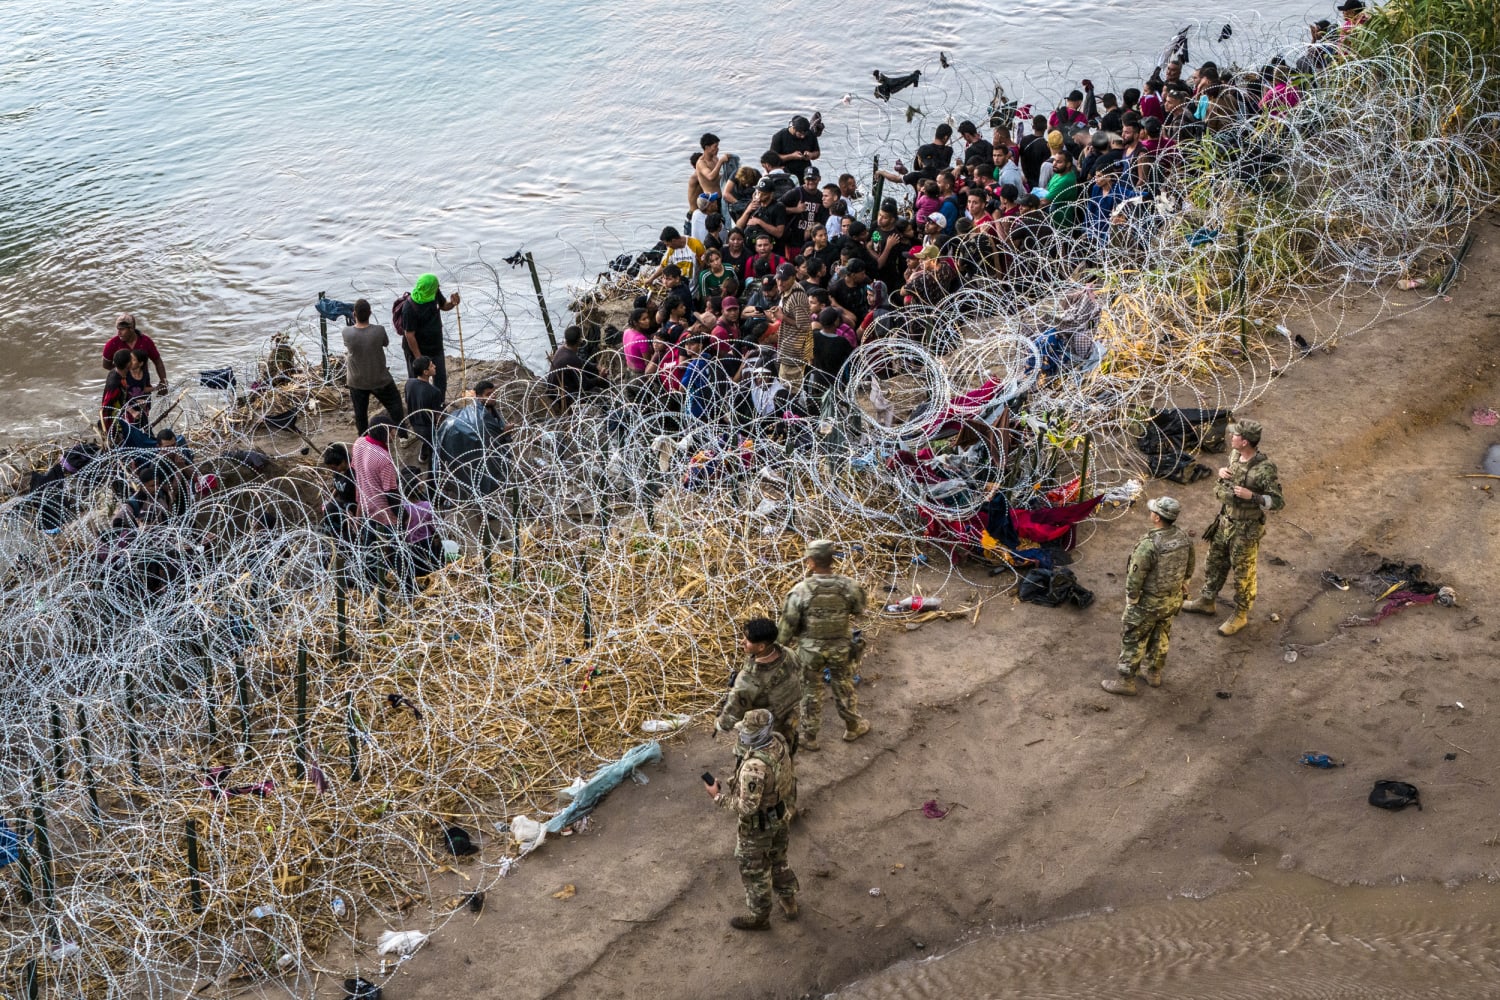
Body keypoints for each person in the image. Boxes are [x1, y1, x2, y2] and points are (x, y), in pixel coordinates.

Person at [1182, 420, 1284, 635]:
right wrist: (1221, 474)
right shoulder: (1235, 456)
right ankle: (1207, 601)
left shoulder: (1264, 469)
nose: (1230, 437)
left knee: (1243, 574)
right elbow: (1227, 482)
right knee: (1214, 562)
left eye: (1235, 435)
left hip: (1246, 530)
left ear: (1245, 441)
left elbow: (1277, 502)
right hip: (1226, 521)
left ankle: (1240, 615)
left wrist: (1253, 497)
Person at [704, 708, 799, 931]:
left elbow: (746, 808)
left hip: (757, 828)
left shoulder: (753, 768)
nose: (742, 736)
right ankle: (789, 901)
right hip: (780, 814)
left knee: (754, 872)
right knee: (779, 859)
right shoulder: (779, 742)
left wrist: (717, 796)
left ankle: (760, 917)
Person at [779, 539, 868, 750]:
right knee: (843, 686)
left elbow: (787, 627)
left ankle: (810, 737)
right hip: (840, 647)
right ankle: (853, 726)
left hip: (810, 650)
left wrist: (776, 650)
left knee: (810, 691)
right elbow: (859, 609)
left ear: (810, 562)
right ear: (832, 559)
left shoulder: (800, 590)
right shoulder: (849, 586)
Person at [1102, 497, 1195, 696]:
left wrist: (1132, 599)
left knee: (1133, 638)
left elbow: (1135, 576)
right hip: (1171, 600)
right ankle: (1154, 673)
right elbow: (1190, 566)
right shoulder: (1184, 538)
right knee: (1161, 635)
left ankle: (1126, 681)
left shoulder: (1149, 544)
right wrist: (1182, 584)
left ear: (1156, 517)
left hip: (1147, 603)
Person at [717, 617, 804, 751]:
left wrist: (720, 724)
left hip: (762, 729)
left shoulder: (750, 679)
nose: (742, 642)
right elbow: (799, 672)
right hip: (789, 718)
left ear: (761, 646)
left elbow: (734, 711)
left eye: (748, 640)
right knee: (785, 754)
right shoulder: (788, 653)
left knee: (749, 759)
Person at [343, 298, 405, 435]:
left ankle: (364, 440)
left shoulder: (346, 333)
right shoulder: (379, 330)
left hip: (356, 381)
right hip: (380, 378)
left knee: (360, 414)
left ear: (354, 314)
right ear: (370, 313)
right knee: (395, 406)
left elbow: (352, 340)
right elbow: (385, 343)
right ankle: (402, 435)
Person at [398, 274, 460, 398]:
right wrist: (419, 358)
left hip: (435, 347)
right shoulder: (409, 308)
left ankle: (438, 405)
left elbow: (443, 306)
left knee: (440, 378)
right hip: (417, 349)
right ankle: (417, 406)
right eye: (436, 286)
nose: (438, 288)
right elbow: (409, 335)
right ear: (428, 288)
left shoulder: (434, 293)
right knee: (417, 380)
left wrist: (452, 303)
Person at [546, 325, 608, 413]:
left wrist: (595, 366)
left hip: (554, 390)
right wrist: (599, 379)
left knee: (591, 374)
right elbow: (585, 386)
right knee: (596, 392)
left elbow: (580, 361)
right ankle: (607, 414)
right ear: (579, 340)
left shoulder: (562, 350)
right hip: (563, 397)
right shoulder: (572, 359)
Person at [773, 262, 812, 396]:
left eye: (784, 279)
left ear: (793, 278)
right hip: (787, 345)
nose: (780, 282)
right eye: (778, 278)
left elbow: (804, 325)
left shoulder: (797, 296)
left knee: (790, 390)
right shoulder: (786, 291)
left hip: (794, 348)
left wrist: (781, 317)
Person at [101, 313, 167, 388]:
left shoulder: (145, 341)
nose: (119, 333)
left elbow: (157, 361)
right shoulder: (112, 344)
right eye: (118, 329)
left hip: (143, 384)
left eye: (122, 329)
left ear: (131, 328)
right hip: (123, 385)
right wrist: (125, 371)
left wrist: (163, 382)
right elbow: (106, 365)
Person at [403, 356, 445, 467]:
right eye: (431, 365)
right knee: (435, 452)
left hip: (415, 424)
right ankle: (433, 477)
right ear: (426, 372)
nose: (435, 366)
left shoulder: (409, 383)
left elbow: (407, 402)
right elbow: (438, 416)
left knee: (426, 439)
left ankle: (423, 452)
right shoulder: (434, 392)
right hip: (428, 428)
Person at [769, 115, 820, 180]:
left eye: (805, 134)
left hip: (804, 173)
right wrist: (792, 156)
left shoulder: (810, 134)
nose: (803, 137)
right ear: (793, 128)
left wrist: (811, 155)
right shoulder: (779, 136)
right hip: (785, 174)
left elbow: (817, 153)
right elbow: (772, 159)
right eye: (800, 134)